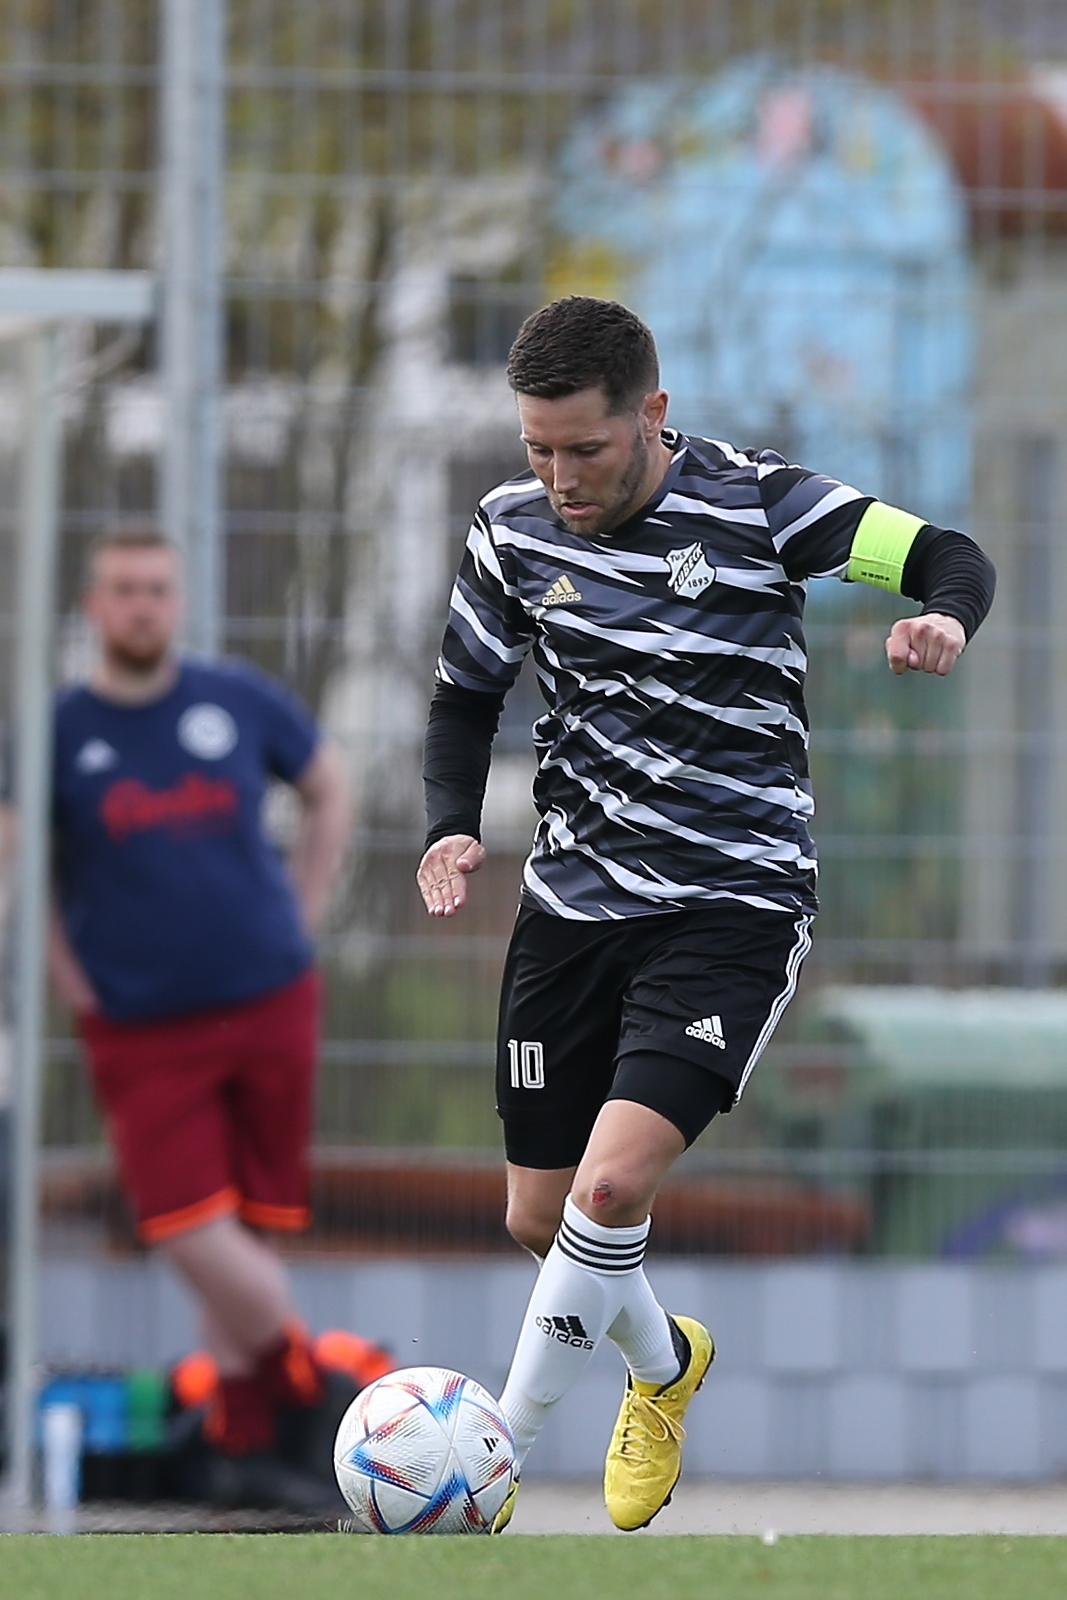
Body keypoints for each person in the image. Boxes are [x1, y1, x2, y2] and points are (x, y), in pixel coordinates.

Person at [417, 296, 995, 1532]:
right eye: (537, 448)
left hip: (731, 901)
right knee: (538, 1214)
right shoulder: (509, 528)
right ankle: (665, 1362)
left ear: (652, 414)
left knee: (609, 1190)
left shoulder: (759, 504)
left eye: (584, 447)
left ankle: (489, 1459)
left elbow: (947, 552)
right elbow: (465, 695)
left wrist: (942, 613)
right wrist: (449, 822)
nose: (559, 477)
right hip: (570, 905)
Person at [48, 526, 352, 1513]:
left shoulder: (235, 700)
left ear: (177, 602)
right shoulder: (58, 731)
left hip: (268, 1000)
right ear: (95, 606)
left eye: (157, 588)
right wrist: (69, 978)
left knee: (254, 1229)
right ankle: (315, 1389)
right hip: (142, 1028)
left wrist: (304, 915)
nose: (142, 605)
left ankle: (244, 1444)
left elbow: (329, 787)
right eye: (124, 588)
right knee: (184, 1225)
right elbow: (19, 865)